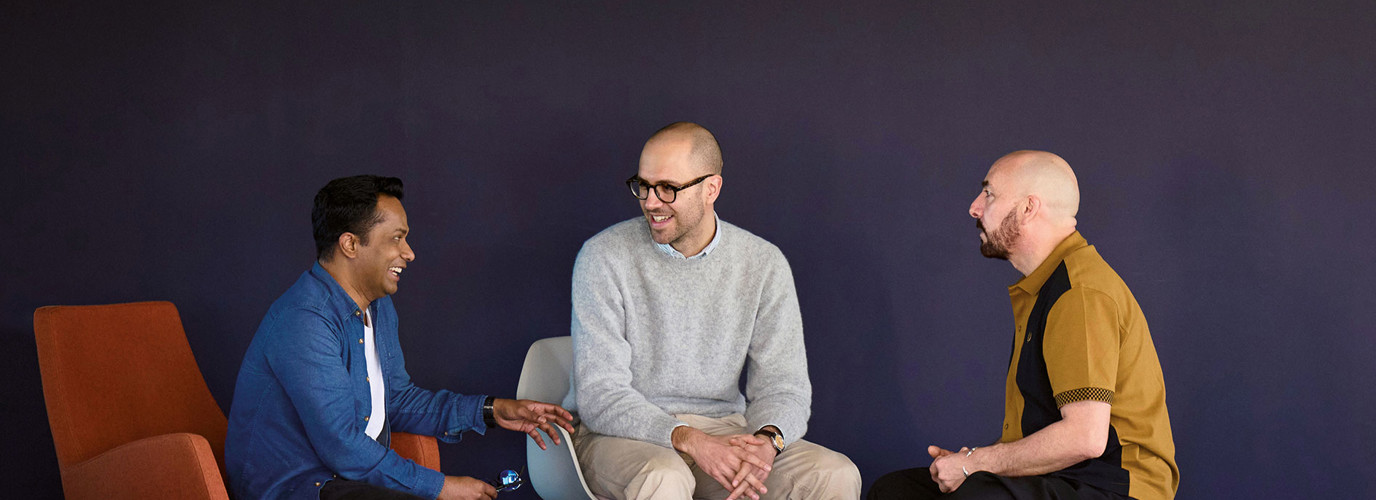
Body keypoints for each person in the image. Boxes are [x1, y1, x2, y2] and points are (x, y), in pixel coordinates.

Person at [226, 175, 574, 500]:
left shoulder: (378, 307)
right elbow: (342, 446)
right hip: (300, 487)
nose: (409, 253)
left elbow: (398, 401)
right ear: (350, 244)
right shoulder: (305, 320)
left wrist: (491, 410)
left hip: (350, 480)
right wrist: (440, 487)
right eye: (396, 238)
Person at [569, 122, 861, 500]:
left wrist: (767, 441)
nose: (650, 202)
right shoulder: (603, 256)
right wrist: (688, 439)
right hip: (620, 437)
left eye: (668, 188)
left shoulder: (763, 263)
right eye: (643, 185)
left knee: (834, 474)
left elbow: (783, 385)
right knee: (665, 477)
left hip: (724, 432)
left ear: (711, 189)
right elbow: (600, 395)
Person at [869, 151, 1179, 500]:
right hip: (1064, 477)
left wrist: (974, 463)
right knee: (897, 491)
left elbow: (1085, 438)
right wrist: (968, 464)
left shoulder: (1079, 293)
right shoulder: (1046, 285)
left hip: (1114, 487)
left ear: (1029, 208)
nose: (974, 207)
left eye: (989, 194)